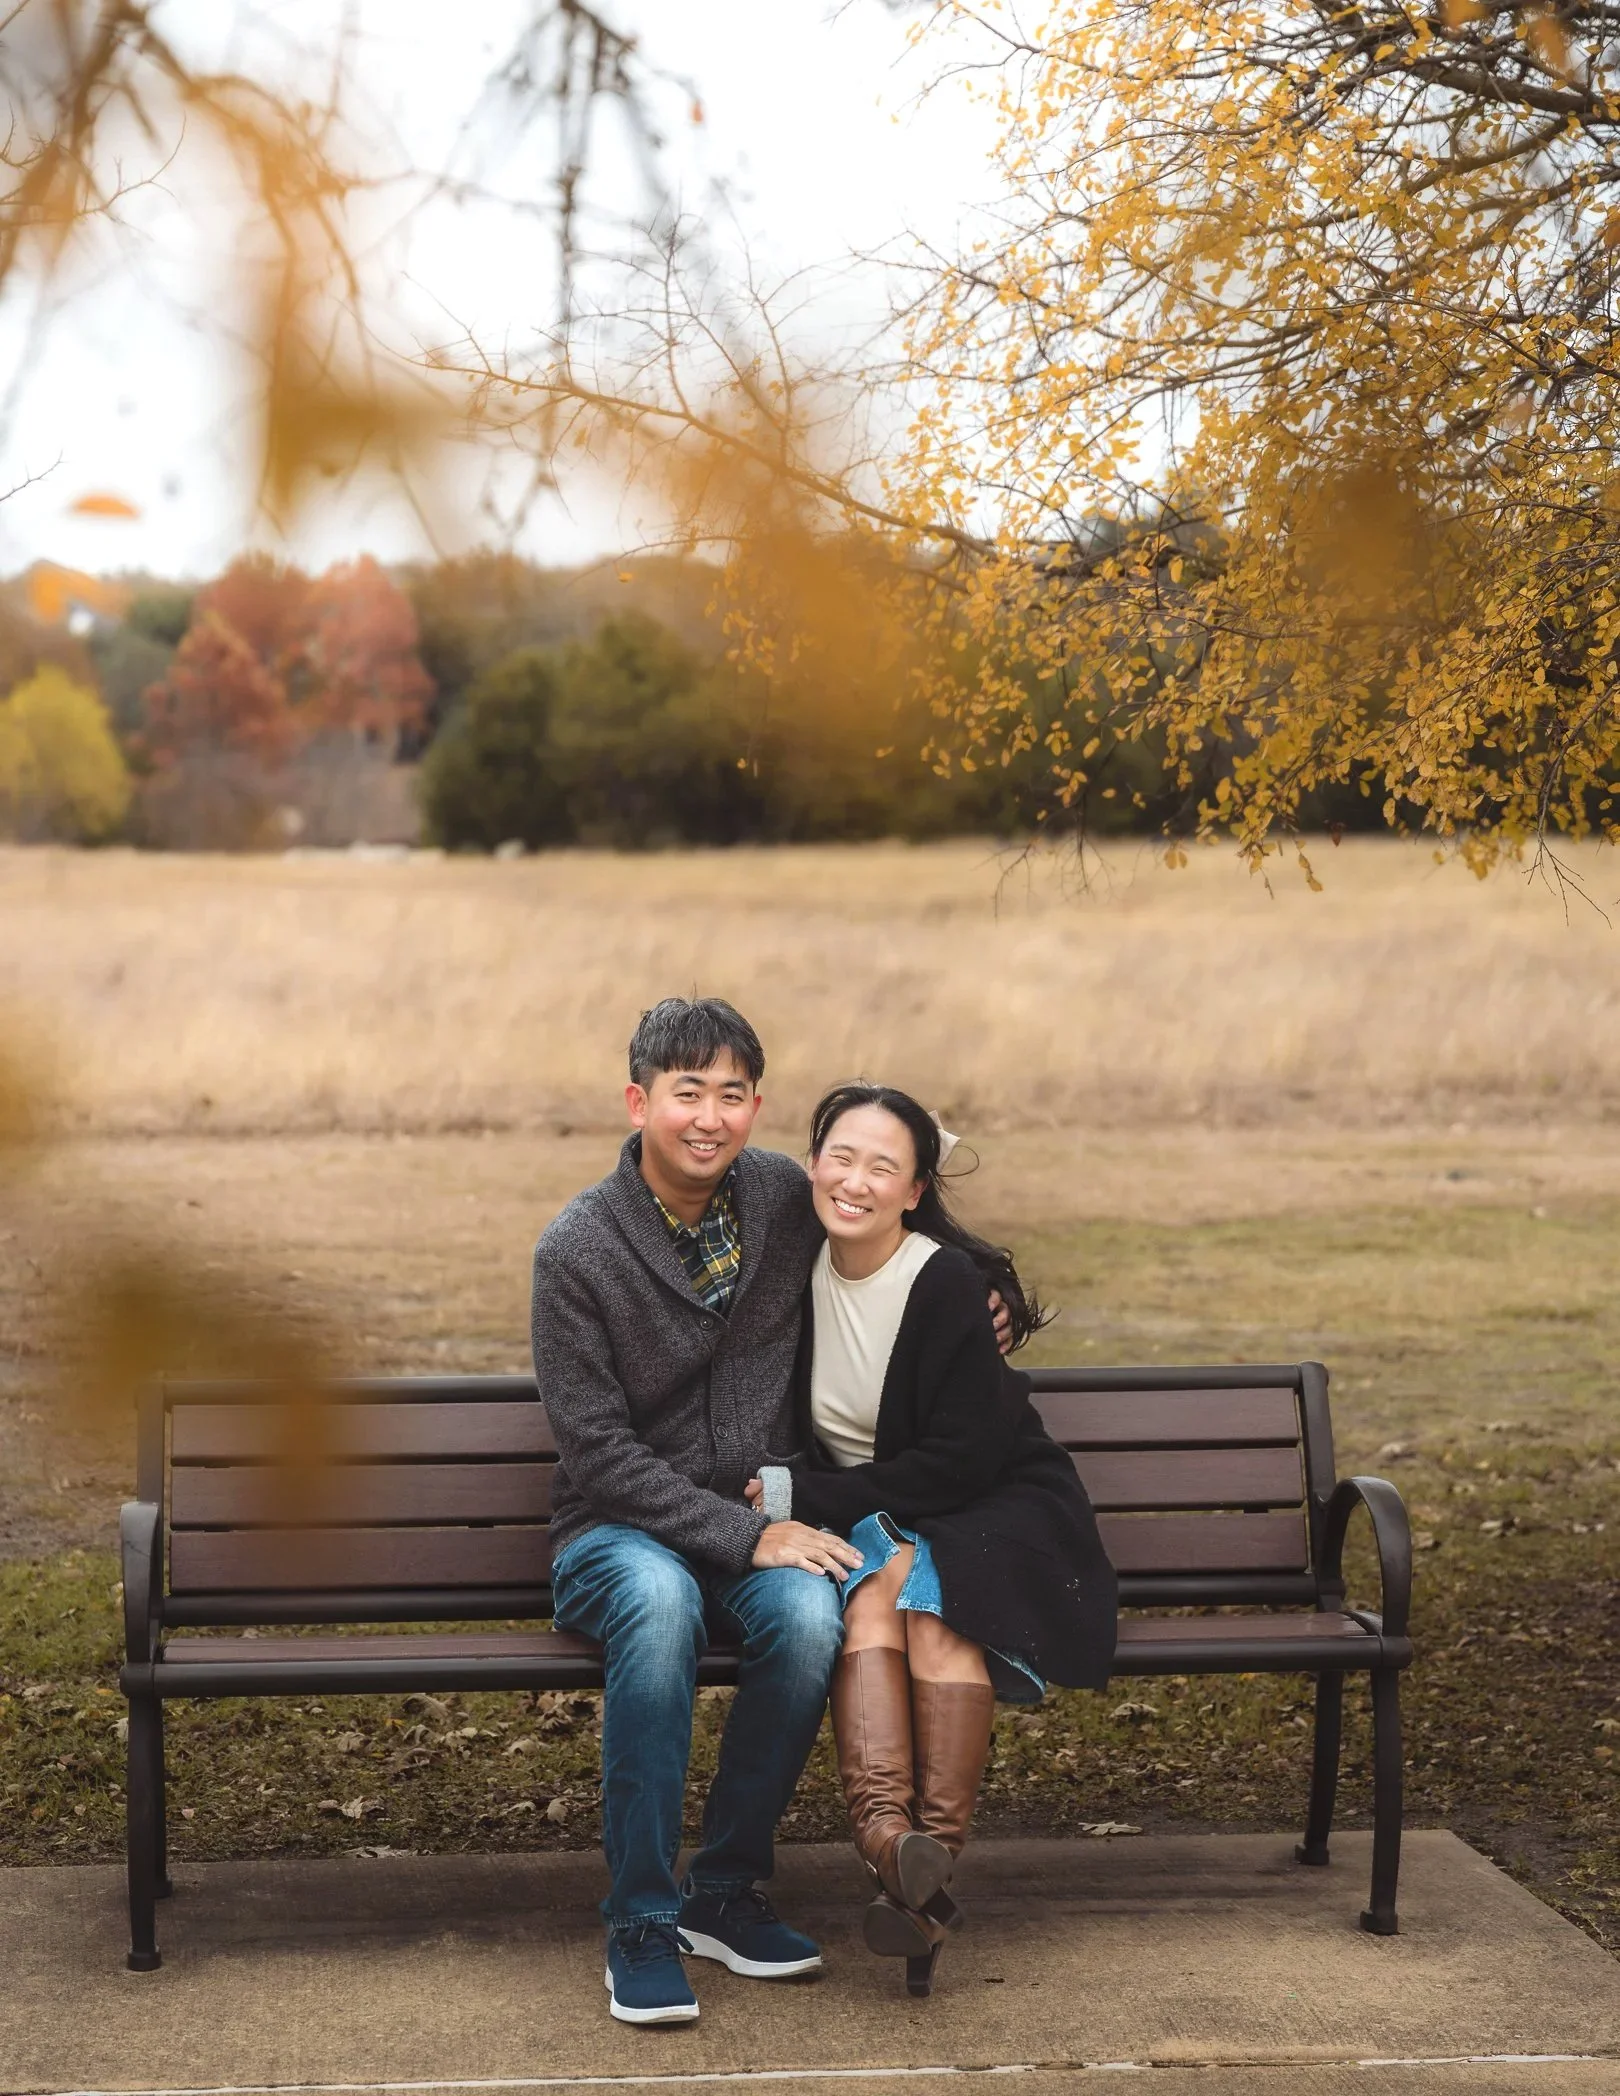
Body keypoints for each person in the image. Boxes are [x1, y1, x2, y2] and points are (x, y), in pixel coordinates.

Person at [749, 1082, 1118, 1999]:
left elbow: (960, 1463)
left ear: (915, 1191)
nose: (857, 1181)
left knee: (922, 1598)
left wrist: (805, 1492)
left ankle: (909, 1857)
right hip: (889, 1511)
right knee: (881, 1585)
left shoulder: (945, 1281)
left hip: (993, 1502)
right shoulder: (793, 1264)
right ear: (811, 1166)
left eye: (885, 1167)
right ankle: (910, 1868)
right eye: (842, 1157)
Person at [532, 997, 859, 2026]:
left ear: (758, 1104)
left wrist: (986, 1283)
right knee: (661, 1600)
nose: (708, 1116)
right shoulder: (576, 1250)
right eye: (687, 1092)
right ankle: (639, 1916)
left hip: (742, 1524)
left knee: (810, 1616)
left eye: (731, 1093)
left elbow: (884, 1205)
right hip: (612, 1531)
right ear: (640, 1101)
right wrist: (747, 1533)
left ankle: (723, 1889)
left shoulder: (779, 1196)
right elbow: (599, 1454)